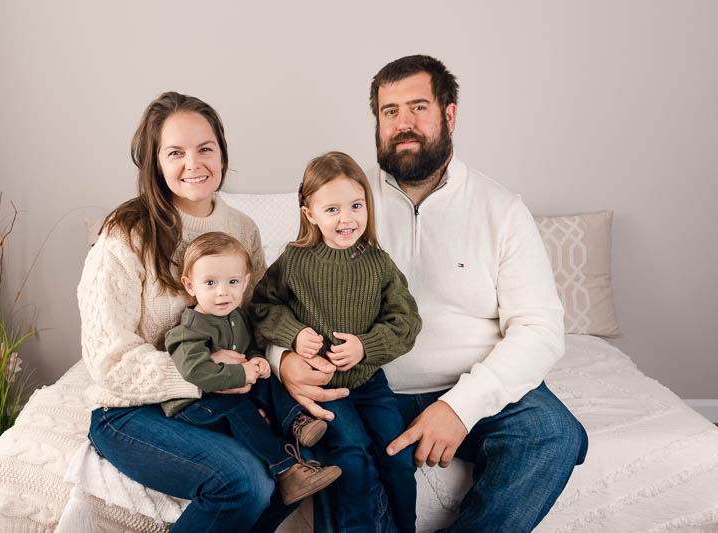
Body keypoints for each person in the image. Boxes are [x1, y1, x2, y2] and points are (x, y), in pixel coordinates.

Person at [269, 56, 589, 532]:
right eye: (389, 111)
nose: (403, 124)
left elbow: (540, 329)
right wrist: (283, 360)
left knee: (554, 434)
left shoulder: (500, 209)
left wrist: (459, 407)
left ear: (449, 115)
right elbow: (278, 298)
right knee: (339, 456)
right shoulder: (343, 202)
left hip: (471, 384)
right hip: (365, 387)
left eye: (418, 107)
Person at [79, 92, 297, 532]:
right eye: (175, 152)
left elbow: (254, 319)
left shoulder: (241, 228)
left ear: (222, 152)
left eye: (205, 148)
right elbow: (109, 360)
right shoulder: (126, 235)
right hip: (130, 410)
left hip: (219, 398)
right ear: (155, 162)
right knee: (244, 482)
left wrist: (277, 360)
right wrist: (204, 371)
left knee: (301, 466)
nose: (193, 163)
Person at [250, 151, 422, 533]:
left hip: (369, 382)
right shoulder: (294, 261)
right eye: (332, 209)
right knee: (353, 455)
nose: (347, 219)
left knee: (397, 455)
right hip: (323, 388)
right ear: (309, 213)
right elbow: (262, 305)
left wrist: (366, 346)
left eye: (356, 206)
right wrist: (294, 334)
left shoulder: (378, 264)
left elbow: (406, 321)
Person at [160, 231, 341, 506]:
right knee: (238, 409)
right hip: (195, 407)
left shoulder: (237, 317)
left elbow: (249, 347)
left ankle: (297, 421)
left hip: (231, 390)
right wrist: (242, 373)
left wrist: (256, 360)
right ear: (190, 285)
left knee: (269, 378)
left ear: (245, 283)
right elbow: (195, 372)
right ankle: (287, 471)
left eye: (232, 282)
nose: (223, 292)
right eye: (210, 283)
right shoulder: (189, 330)